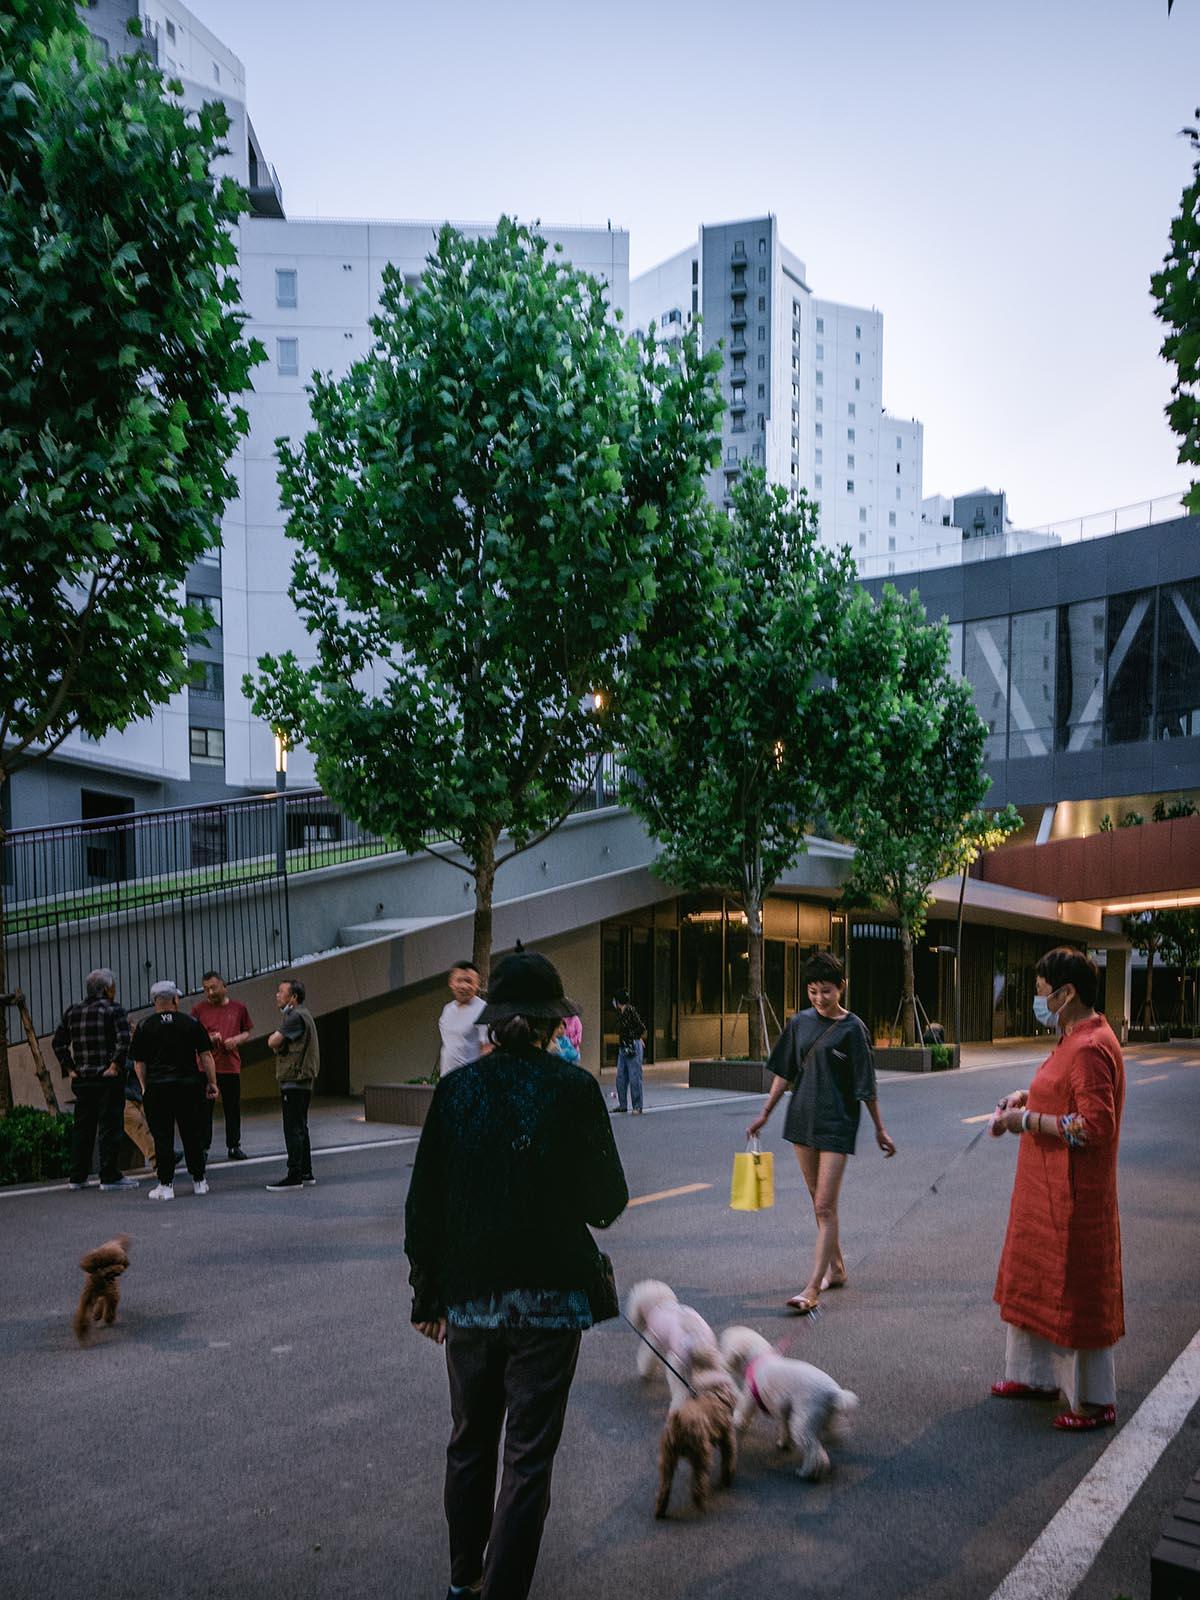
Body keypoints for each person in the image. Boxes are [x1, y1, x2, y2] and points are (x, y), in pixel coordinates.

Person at [405, 946, 628, 1600]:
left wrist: (428, 1296)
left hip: (470, 1299)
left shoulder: (456, 1091)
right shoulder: (574, 1089)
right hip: (552, 1302)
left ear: (491, 1021)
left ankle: (461, 1581)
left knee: (469, 1443)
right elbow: (608, 1202)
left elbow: (425, 1205)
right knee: (527, 1459)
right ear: (556, 1023)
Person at [990, 947, 1126, 1431]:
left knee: (1074, 1291)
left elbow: (1094, 1126)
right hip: (1045, 1191)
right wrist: (1024, 1097)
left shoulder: (1090, 1047)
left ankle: (1091, 1401)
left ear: (1068, 994)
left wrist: (1024, 1120)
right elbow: (1060, 1089)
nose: (1038, 999)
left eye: (1043, 992)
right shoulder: (1074, 1036)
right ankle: (1037, 1377)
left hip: (1074, 1197)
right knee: (1036, 1281)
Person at [747, 950, 895, 1315]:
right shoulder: (799, 1024)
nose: (819, 998)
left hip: (837, 1123)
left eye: (826, 991)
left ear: (842, 987)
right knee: (818, 1200)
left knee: (825, 1204)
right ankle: (838, 1268)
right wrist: (766, 1112)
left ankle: (812, 1287)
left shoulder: (853, 1029)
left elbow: (865, 1084)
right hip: (802, 1120)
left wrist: (879, 1128)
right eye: (813, 991)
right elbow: (785, 1071)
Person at [51, 968, 140, 1192]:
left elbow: (58, 1043)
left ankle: (77, 1176)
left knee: (83, 1127)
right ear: (108, 989)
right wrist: (115, 1065)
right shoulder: (114, 1009)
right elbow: (123, 1040)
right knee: (110, 1126)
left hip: (82, 1078)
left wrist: (70, 1068)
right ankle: (109, 1175)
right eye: (113, 987)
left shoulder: (73, 1011)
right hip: (107, 1078)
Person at [131, 982, 218, 1201]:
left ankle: (166, 1185)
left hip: (158, 1087)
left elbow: (139, 1062)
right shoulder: (190, 1022)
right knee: (192, 1132)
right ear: (175, 1000)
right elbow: (206, 1055)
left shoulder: (144, 1026)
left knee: (162, 1136)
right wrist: (211, 1082)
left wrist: (144, 1086)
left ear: (154, 1002)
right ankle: (199, 1181)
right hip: (188, 1085)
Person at [265, 977, 320, 1191]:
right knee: (301, 1127)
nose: (277, 996)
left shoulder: (294, 1016)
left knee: (293, 1129)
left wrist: (276, 1044)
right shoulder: (303, 1015)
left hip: (294, 1080)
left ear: (293, 997)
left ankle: (294, 1175)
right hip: (302, 1080)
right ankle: (306, 1172)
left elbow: (273, 1041)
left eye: (281, 992)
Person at [191, 970, 253, 1159]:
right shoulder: (198, 1010)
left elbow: (247, 1031)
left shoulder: (238, 1008)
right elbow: (191, 1036)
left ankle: (233, 1145)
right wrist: (209, 1038)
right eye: (206, 989)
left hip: (230, 1065)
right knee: (204, 1110)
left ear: (224, 986)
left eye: (213, 988)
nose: (210, 993)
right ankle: (203, 1147)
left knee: (232, 1108)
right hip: (205, 1067)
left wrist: (236, 1040)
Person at [438, 961, 489, 1077]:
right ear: (451, 983)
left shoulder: (483, 1010)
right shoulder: (447, 1009)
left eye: (469, 981)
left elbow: (487, 1049)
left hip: (469, 1081)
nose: (464, 986)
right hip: (447, 1080)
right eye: (459, 980)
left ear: (477, 984)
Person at [612, 989, 646, 1114]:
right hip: (624, 1046)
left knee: (634, 1076)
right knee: (620, 1076)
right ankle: (623, 1104)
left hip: (631, 1046)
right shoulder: (621, 1013)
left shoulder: (630, 1011)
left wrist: (635, 1037)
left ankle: (637, 1106)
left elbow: (641, 1027)